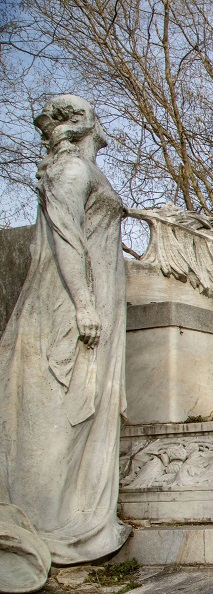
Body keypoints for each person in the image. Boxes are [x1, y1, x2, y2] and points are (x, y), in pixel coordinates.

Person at [0, 95, 131, 568]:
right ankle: (46, 525)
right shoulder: (71, 171)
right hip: (68, 306)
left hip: (96, 304)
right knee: (60, 414)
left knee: (83, 412)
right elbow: (65, 237)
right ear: (86, 124)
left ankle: (79, 522)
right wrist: (83, 305)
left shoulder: (87, 172)